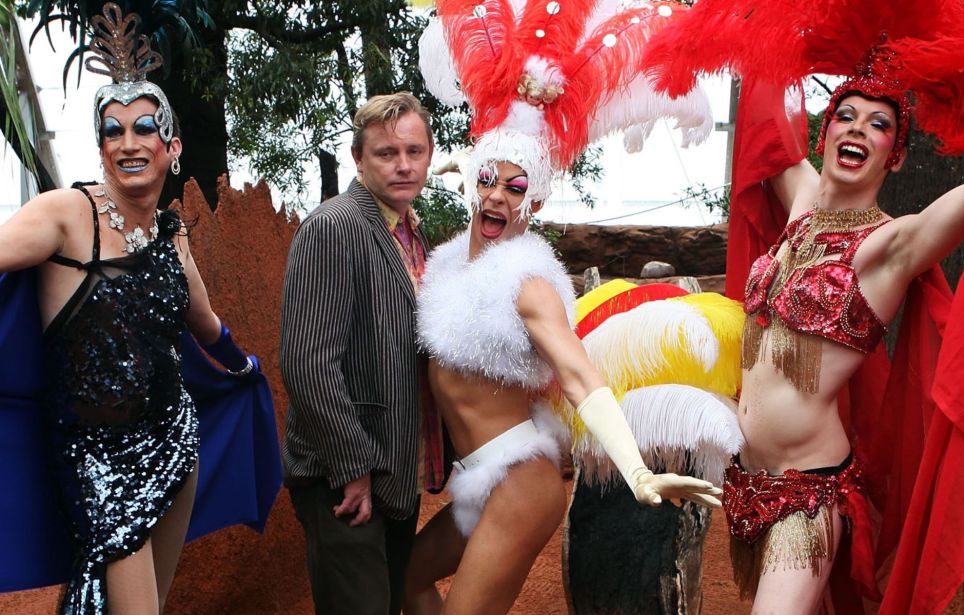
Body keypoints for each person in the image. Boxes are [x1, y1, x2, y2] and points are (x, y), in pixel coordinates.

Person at [404, 4, 727, 612]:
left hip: (521, 485)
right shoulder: (447, 263)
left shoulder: (528, 283)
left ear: (534, 202)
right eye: (488, 180)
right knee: (407, 579)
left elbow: (579, 375)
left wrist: (637, 472)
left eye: (516, 186)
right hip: (478, 480)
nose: (498, 194)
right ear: (472, 182)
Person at [0, 4, 255, 613]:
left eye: (144, 128)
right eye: (112, 130)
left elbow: (203, 322)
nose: (128, 142)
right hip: (93, 459)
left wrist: (243, 371)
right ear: (100, 146)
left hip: (173, 438)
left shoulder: (172, 235)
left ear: (172, 145)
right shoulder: (66, 215)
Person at [722, 77, 964, 613]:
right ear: (825, 136)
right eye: (846, 116)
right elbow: (767, 123)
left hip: (808, 492)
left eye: (879, 125)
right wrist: (760, 33)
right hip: (742, 479)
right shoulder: (799, 207)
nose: (858, 129)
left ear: (895, 158)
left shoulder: (891, 245)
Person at [279, 92, 442, 615]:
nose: (403, 165)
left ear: (430, 154)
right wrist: (353, 467)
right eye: (386, 153)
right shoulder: (334, 228)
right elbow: (308, 364)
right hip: (344, 475)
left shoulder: (411, 233)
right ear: (358, 159)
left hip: (396, 470)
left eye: (414, 151)